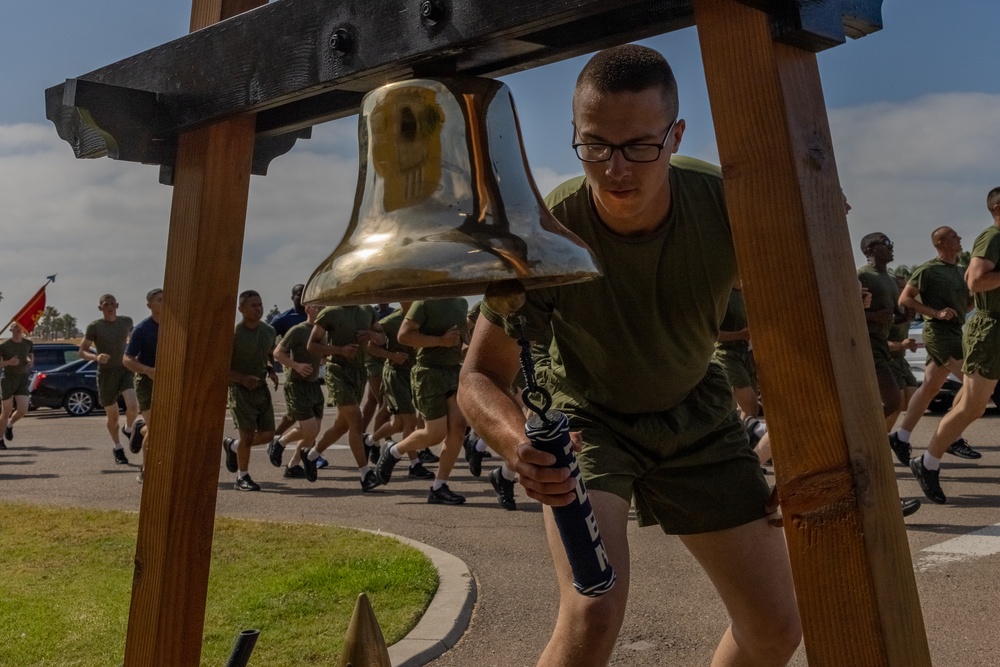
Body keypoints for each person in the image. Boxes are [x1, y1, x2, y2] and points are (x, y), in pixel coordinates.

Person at [458, 45, 800, 666]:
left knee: (776, 627)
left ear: (675, 135)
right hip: (589, 424)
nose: (615, 168)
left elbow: (802, 322)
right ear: (575, 134)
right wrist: (517, 444)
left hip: (698, 414)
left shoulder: (728, 205)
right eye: (594, 146)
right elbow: (480, 375)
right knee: (593, 609)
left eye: (640, 146)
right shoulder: (547, 234)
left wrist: (805, 441)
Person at [910, 189, 1000, 504]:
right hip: (990, 332)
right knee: (972, 407)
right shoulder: (991, 237)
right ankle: (928, 461)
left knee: (970, 404)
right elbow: (975, 280)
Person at [890, 227, 981, 464]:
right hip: (939, 334)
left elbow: (967, 307)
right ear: (940, 243)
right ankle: (952, 436)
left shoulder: (962, 271)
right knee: (974, 382)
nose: (960, 238)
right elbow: (905, 299)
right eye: (953, 236)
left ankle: (901, 436)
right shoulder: (928, 270)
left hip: (955, 331)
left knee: (930, 387)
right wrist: (936, 313)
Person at [374, 297, 471, 506]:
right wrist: (441, 341)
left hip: (453, 371)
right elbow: (404, 335)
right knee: (435, 434)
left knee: (458, 428)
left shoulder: (461, 302)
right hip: (429, 373)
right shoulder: (424, 303)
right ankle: (393, 451)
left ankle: (439, 487)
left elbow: (463, 335)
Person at [302, 304, 386, 491]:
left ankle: (310, 456)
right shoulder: (330, 312)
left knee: (341, 426)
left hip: (359, 372)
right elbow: (312, 345)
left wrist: (372, 336)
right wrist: (340, 350)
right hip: (337, 371)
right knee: (357, 422)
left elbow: (382, 337)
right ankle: (366, 474)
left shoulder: (368, 311)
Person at [222, 290, 280, 492]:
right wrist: (242, 379)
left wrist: (271, 369)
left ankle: (233, 446)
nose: (258, 309)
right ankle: (242, 477)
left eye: (260, 304)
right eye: (253, 305)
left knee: (268, 435)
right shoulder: (234, 334)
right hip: (239, 390)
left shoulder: (269, 331)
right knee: (247, 435)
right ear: (241, 309)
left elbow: (267, 354)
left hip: (261, 388)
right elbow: (221, 367)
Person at [79, 294, 139, 465]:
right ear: (101, 308)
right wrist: (96, 357)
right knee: (112, 418)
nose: (110, 306)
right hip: (106, 373)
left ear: (117, 305)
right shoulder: (95, 327)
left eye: (113, 304)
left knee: (133, 407)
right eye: (106, 304)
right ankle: (118, 447)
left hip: (125, 369)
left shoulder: (126, 322)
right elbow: (82, 351)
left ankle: (128, 429)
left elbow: (135, 339)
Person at [268, 304, 325, 479]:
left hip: (314, 386)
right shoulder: (298, 330)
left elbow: (321, 355)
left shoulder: (322, 332)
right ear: (307, 309)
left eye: (323, 306)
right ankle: (281, 441)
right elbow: (278, 353)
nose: (321, 308)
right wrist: (296, 365)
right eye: (317, 306)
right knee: (309, 429)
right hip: (297, 386)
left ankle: (293, 466)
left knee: (313, 432)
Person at [123, 288, 164, 482]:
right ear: (150, 305)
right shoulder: (142, 329)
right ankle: (146, 470)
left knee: (167, 425)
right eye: (159, 300)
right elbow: (127, 359)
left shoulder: (174, 326)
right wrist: (147, 370)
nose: (164, 303)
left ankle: (140, 429)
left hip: (169, 381)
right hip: (147, 381)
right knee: (157, 429)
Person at [713, 279, 760, 419]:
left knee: (750, 411)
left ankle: (742, 438)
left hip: (746, 353)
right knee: (751, 406)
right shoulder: (723, 293)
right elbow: (712, 335)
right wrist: (740, 335)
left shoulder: (748, 292)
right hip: (727, 355)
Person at [0, 322, 34, 447]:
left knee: (22, 409)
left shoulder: (28, 343)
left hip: (22, 378)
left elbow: (30, 354)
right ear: (11, 330)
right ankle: (0, 439)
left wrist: (30, 361)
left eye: (20, 326)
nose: (18, 328)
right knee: (6, 410)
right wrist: (9, 362)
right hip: (8, 379)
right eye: (15, 327)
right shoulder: (4, 345)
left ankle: (9, 424)